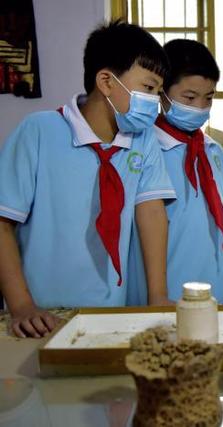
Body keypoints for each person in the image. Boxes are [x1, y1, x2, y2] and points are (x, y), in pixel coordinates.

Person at [0, 21, 176, 338]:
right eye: (149, 89)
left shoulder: (143, 139)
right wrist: (21, 305)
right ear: (106, 82)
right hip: (41, 313)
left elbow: (151, 212)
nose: (154, 102)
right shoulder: (39, 131)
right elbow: (2, 222)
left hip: (111, 310)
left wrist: (158, 295)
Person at [127, 39, 223, 304]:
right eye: (189, 97)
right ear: (162, 93)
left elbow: (220, 228)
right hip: (166, 290)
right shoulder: (143, 149)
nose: (200, 107)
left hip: (219, 288)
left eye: (209, 98)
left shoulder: (213, 151)